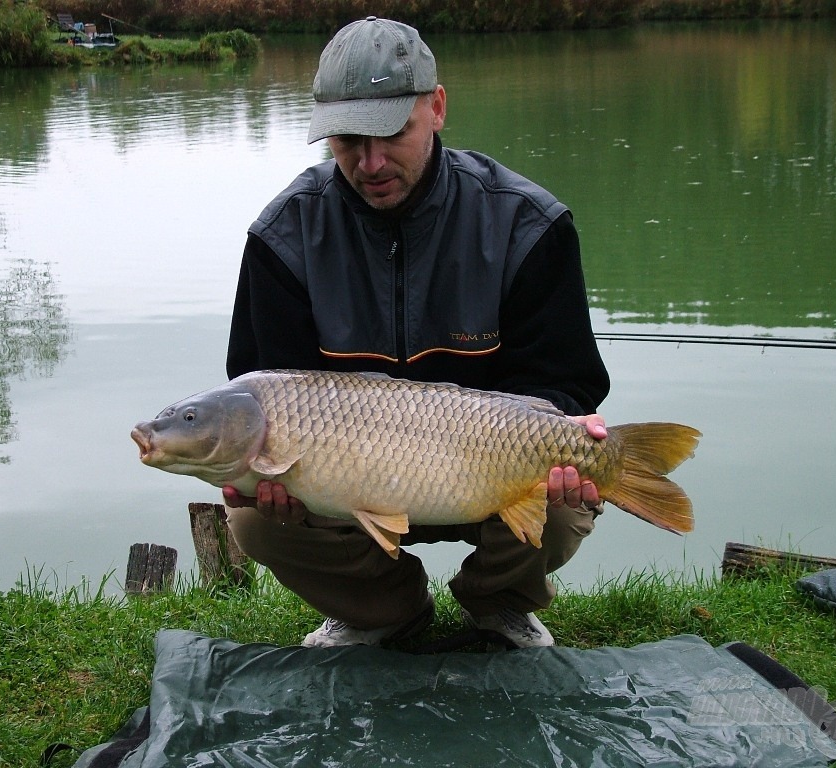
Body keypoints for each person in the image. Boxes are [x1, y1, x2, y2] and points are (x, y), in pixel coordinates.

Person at [222, 16, 610, 649]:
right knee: (252, 517)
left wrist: (565, 434)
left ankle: (498, 603)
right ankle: (381, 609)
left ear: (437, 108)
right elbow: (259, 385)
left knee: (568, 493)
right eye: (347, 140)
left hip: (483, 475)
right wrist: (269, 481)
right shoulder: (283, 238)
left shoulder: (527, 225)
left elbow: (565, 384)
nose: (370, 162)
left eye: (391, 134)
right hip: (344, 489)